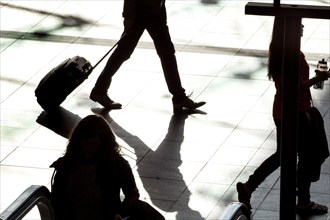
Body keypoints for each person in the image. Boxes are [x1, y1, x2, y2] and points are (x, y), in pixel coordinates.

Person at [236, 17, 329, 216]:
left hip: (281, 110)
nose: (302, 27)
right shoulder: (293, 55)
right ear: (289, 29)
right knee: (305, 156)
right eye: (299, 24)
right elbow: (296, 87)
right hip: (297, 113)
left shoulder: (280, 52)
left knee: (282, 155)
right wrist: (317, 78)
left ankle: (249, 186)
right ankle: (303, 201)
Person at [89, 0, 206, 113]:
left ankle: (179, 96)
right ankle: (99, 90)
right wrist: (128, 15)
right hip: (140, 11)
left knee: (166, 52)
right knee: (123, 52)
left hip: (155, 10)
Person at [50, 115, 164, 220]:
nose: (88, 148)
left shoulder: (117, 165)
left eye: (94, 144)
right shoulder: (65, 165)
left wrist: (120, 213)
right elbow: (57, 200)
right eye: (86, 143)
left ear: (102, 143)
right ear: (78, 142)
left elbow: (132, 195)